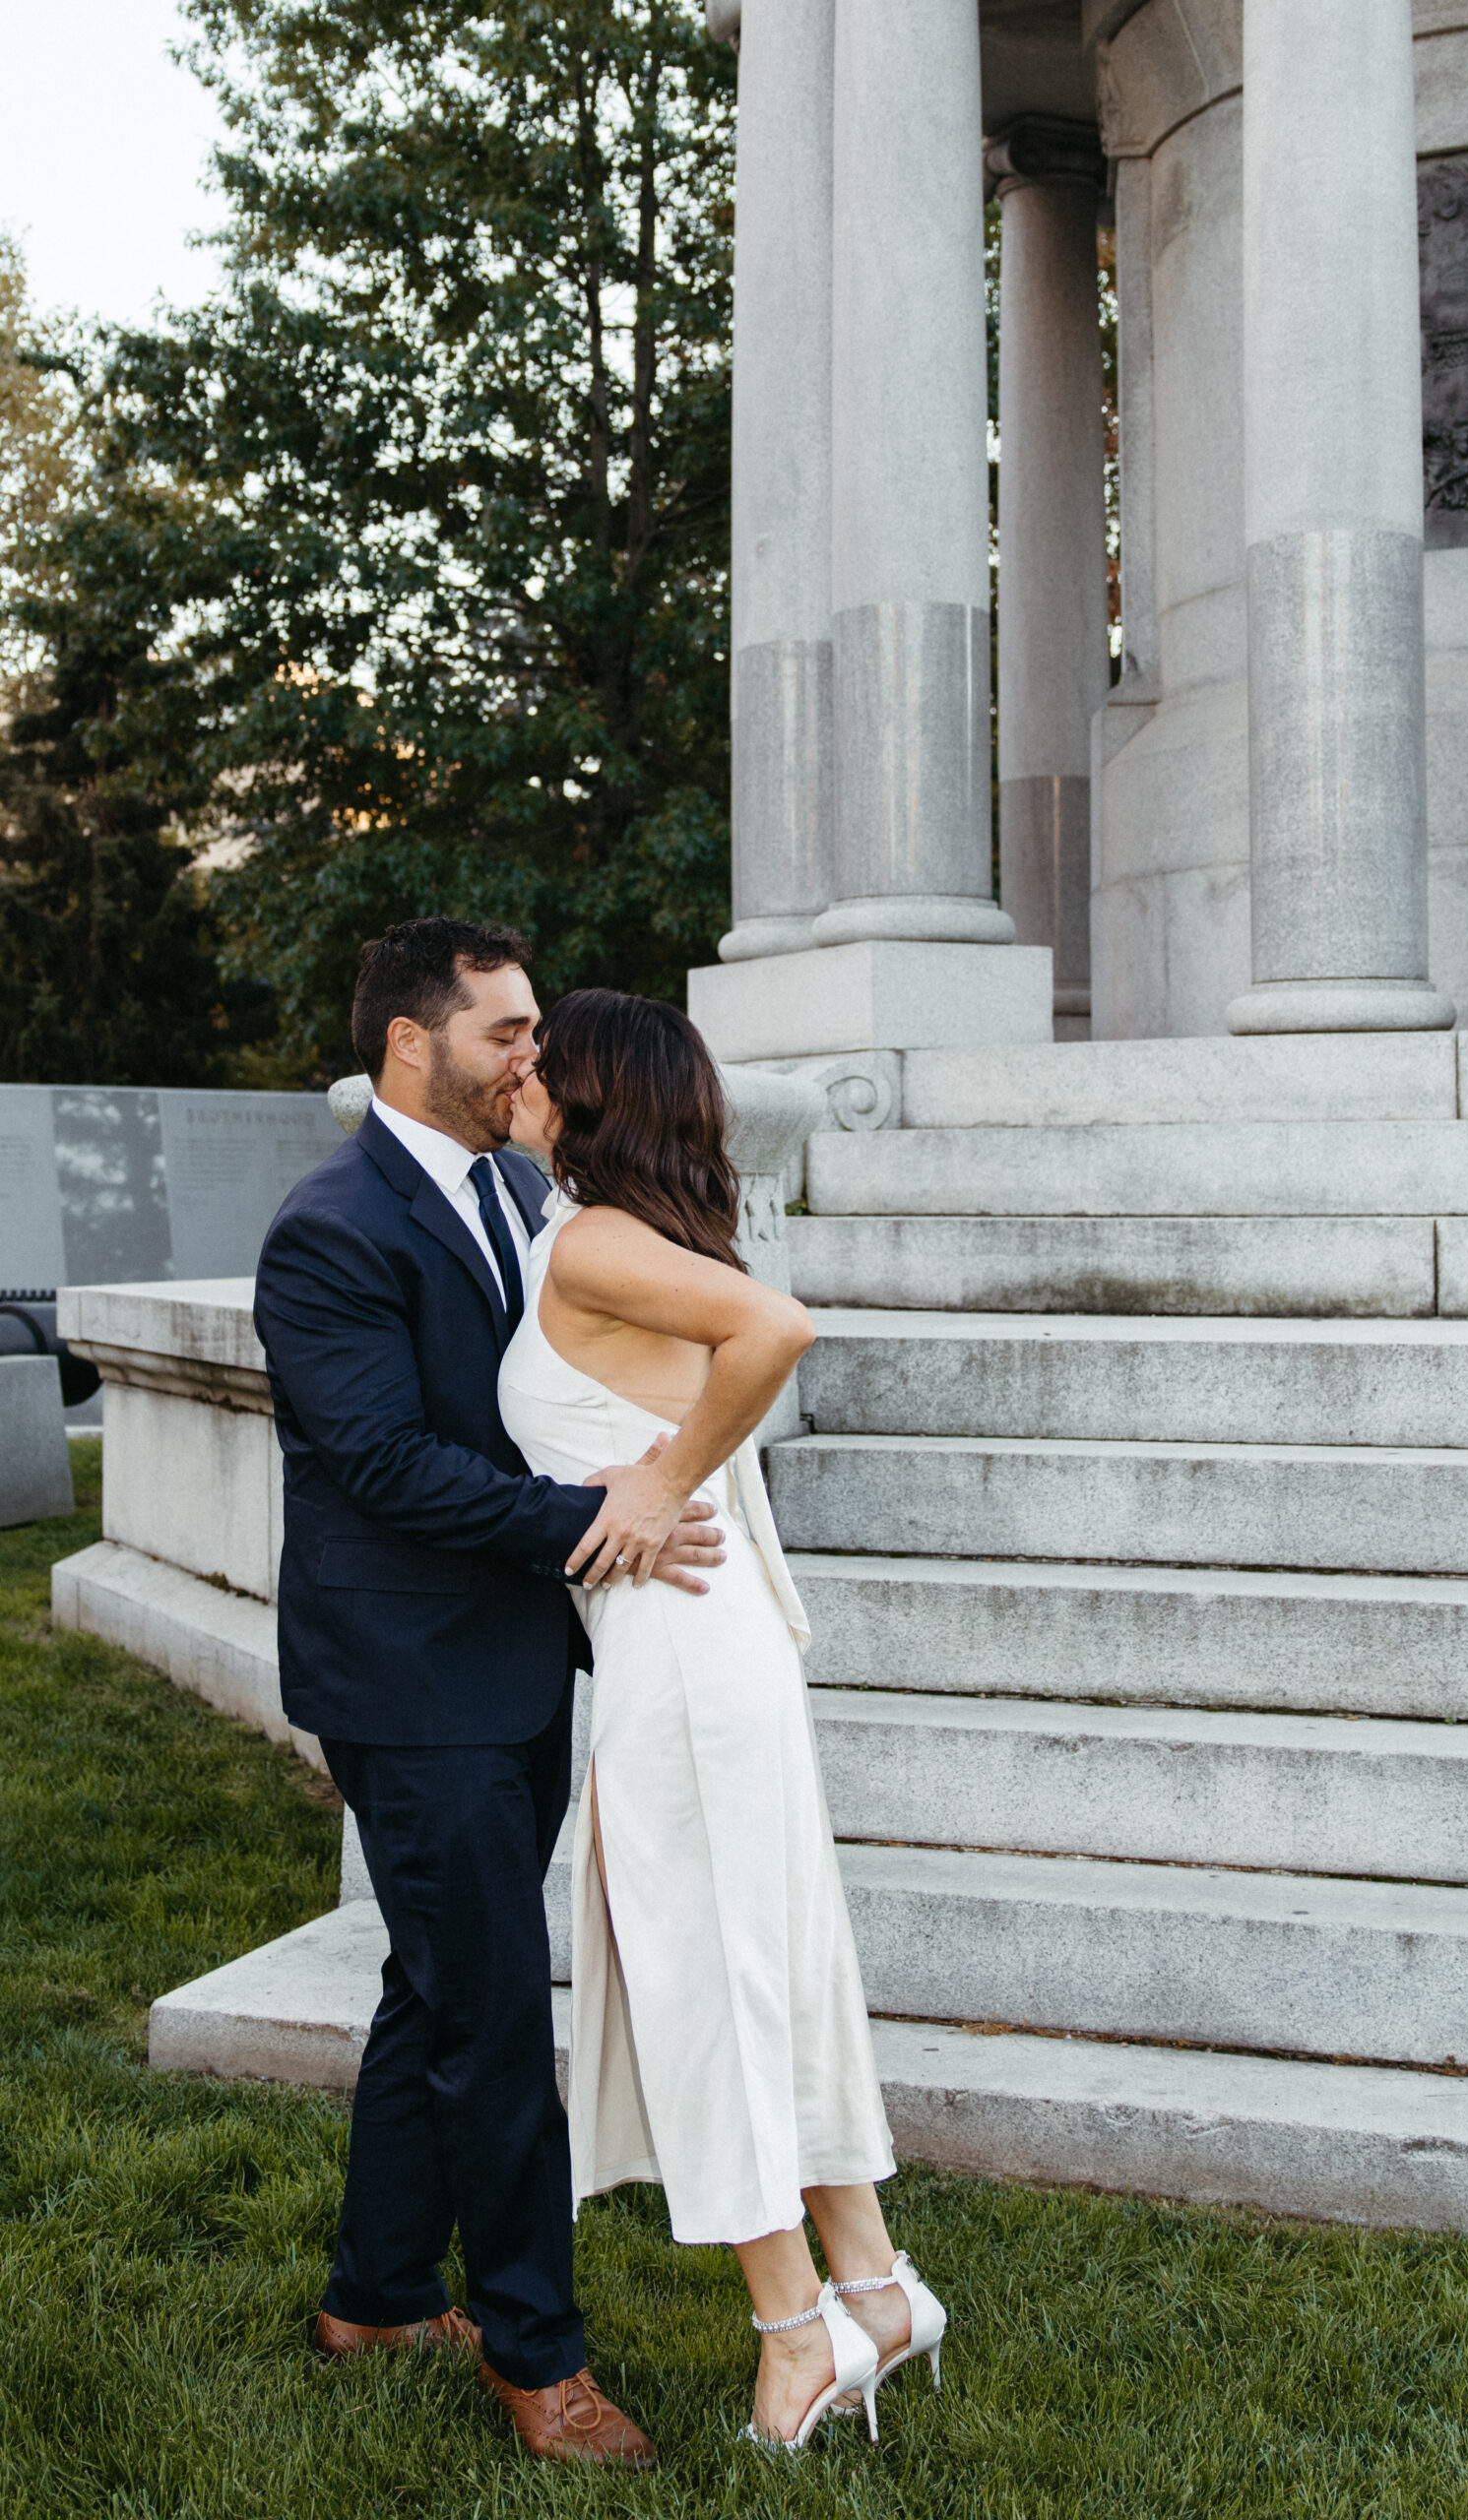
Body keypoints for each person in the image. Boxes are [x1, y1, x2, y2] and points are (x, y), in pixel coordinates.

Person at [254, 919, 727, 2474]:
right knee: (498, 2019)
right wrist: (604, 1520)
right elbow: (380, 1463)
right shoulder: (330, 1228)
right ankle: (542, 2364)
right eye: (508, 1032)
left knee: (439, 1988)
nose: (536, 1056)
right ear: (413, 1042)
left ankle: (378, 2297)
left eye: (534, 1031)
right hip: (408, 1678)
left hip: (517, 1663)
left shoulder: (527, 1189)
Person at [498, 986, 946, 2449]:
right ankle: (871, 2287)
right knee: (760, 1957)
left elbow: (779, 1327)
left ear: (590, 1099)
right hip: (704, 1644)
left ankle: (794, 2337)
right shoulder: (640, 1237)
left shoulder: (595, 1240)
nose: (520, 1077)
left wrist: (657, 1480)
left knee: (709, 1978)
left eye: (540, 1062)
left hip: (682, 1654)